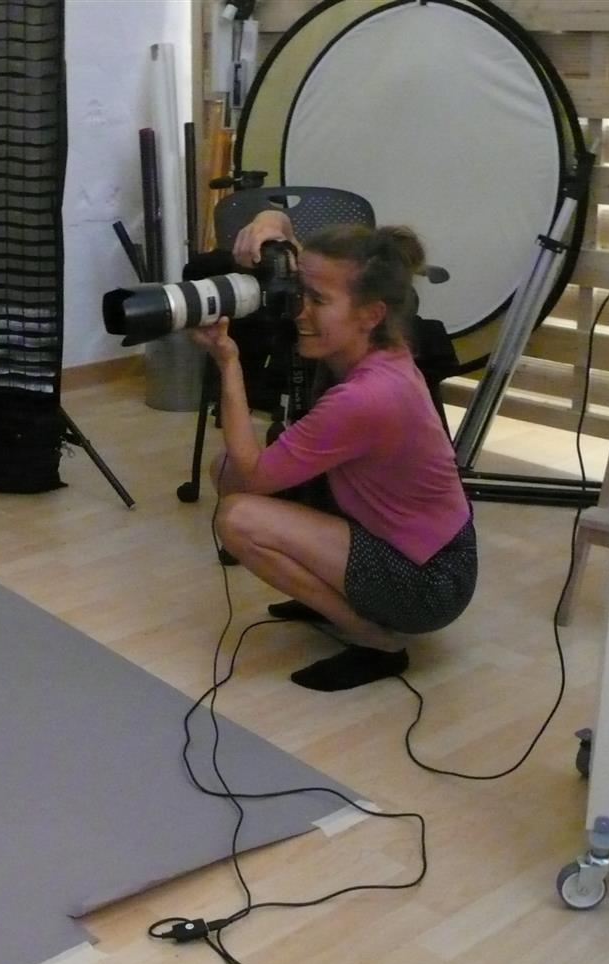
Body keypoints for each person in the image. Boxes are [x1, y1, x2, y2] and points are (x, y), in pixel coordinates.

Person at [191, 208, 476, 692]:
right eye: (301, 292)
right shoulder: (371, 340)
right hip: (399, 532)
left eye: (317, 300)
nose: (299, 310)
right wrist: (270, 223)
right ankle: (328, 593)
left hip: (428, 579)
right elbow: (291, 239)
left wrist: (228, 361)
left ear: (371, 313)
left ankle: (375, 640)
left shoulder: (368, 396)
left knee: (239, 516)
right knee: (225, 471)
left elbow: (254, 474)